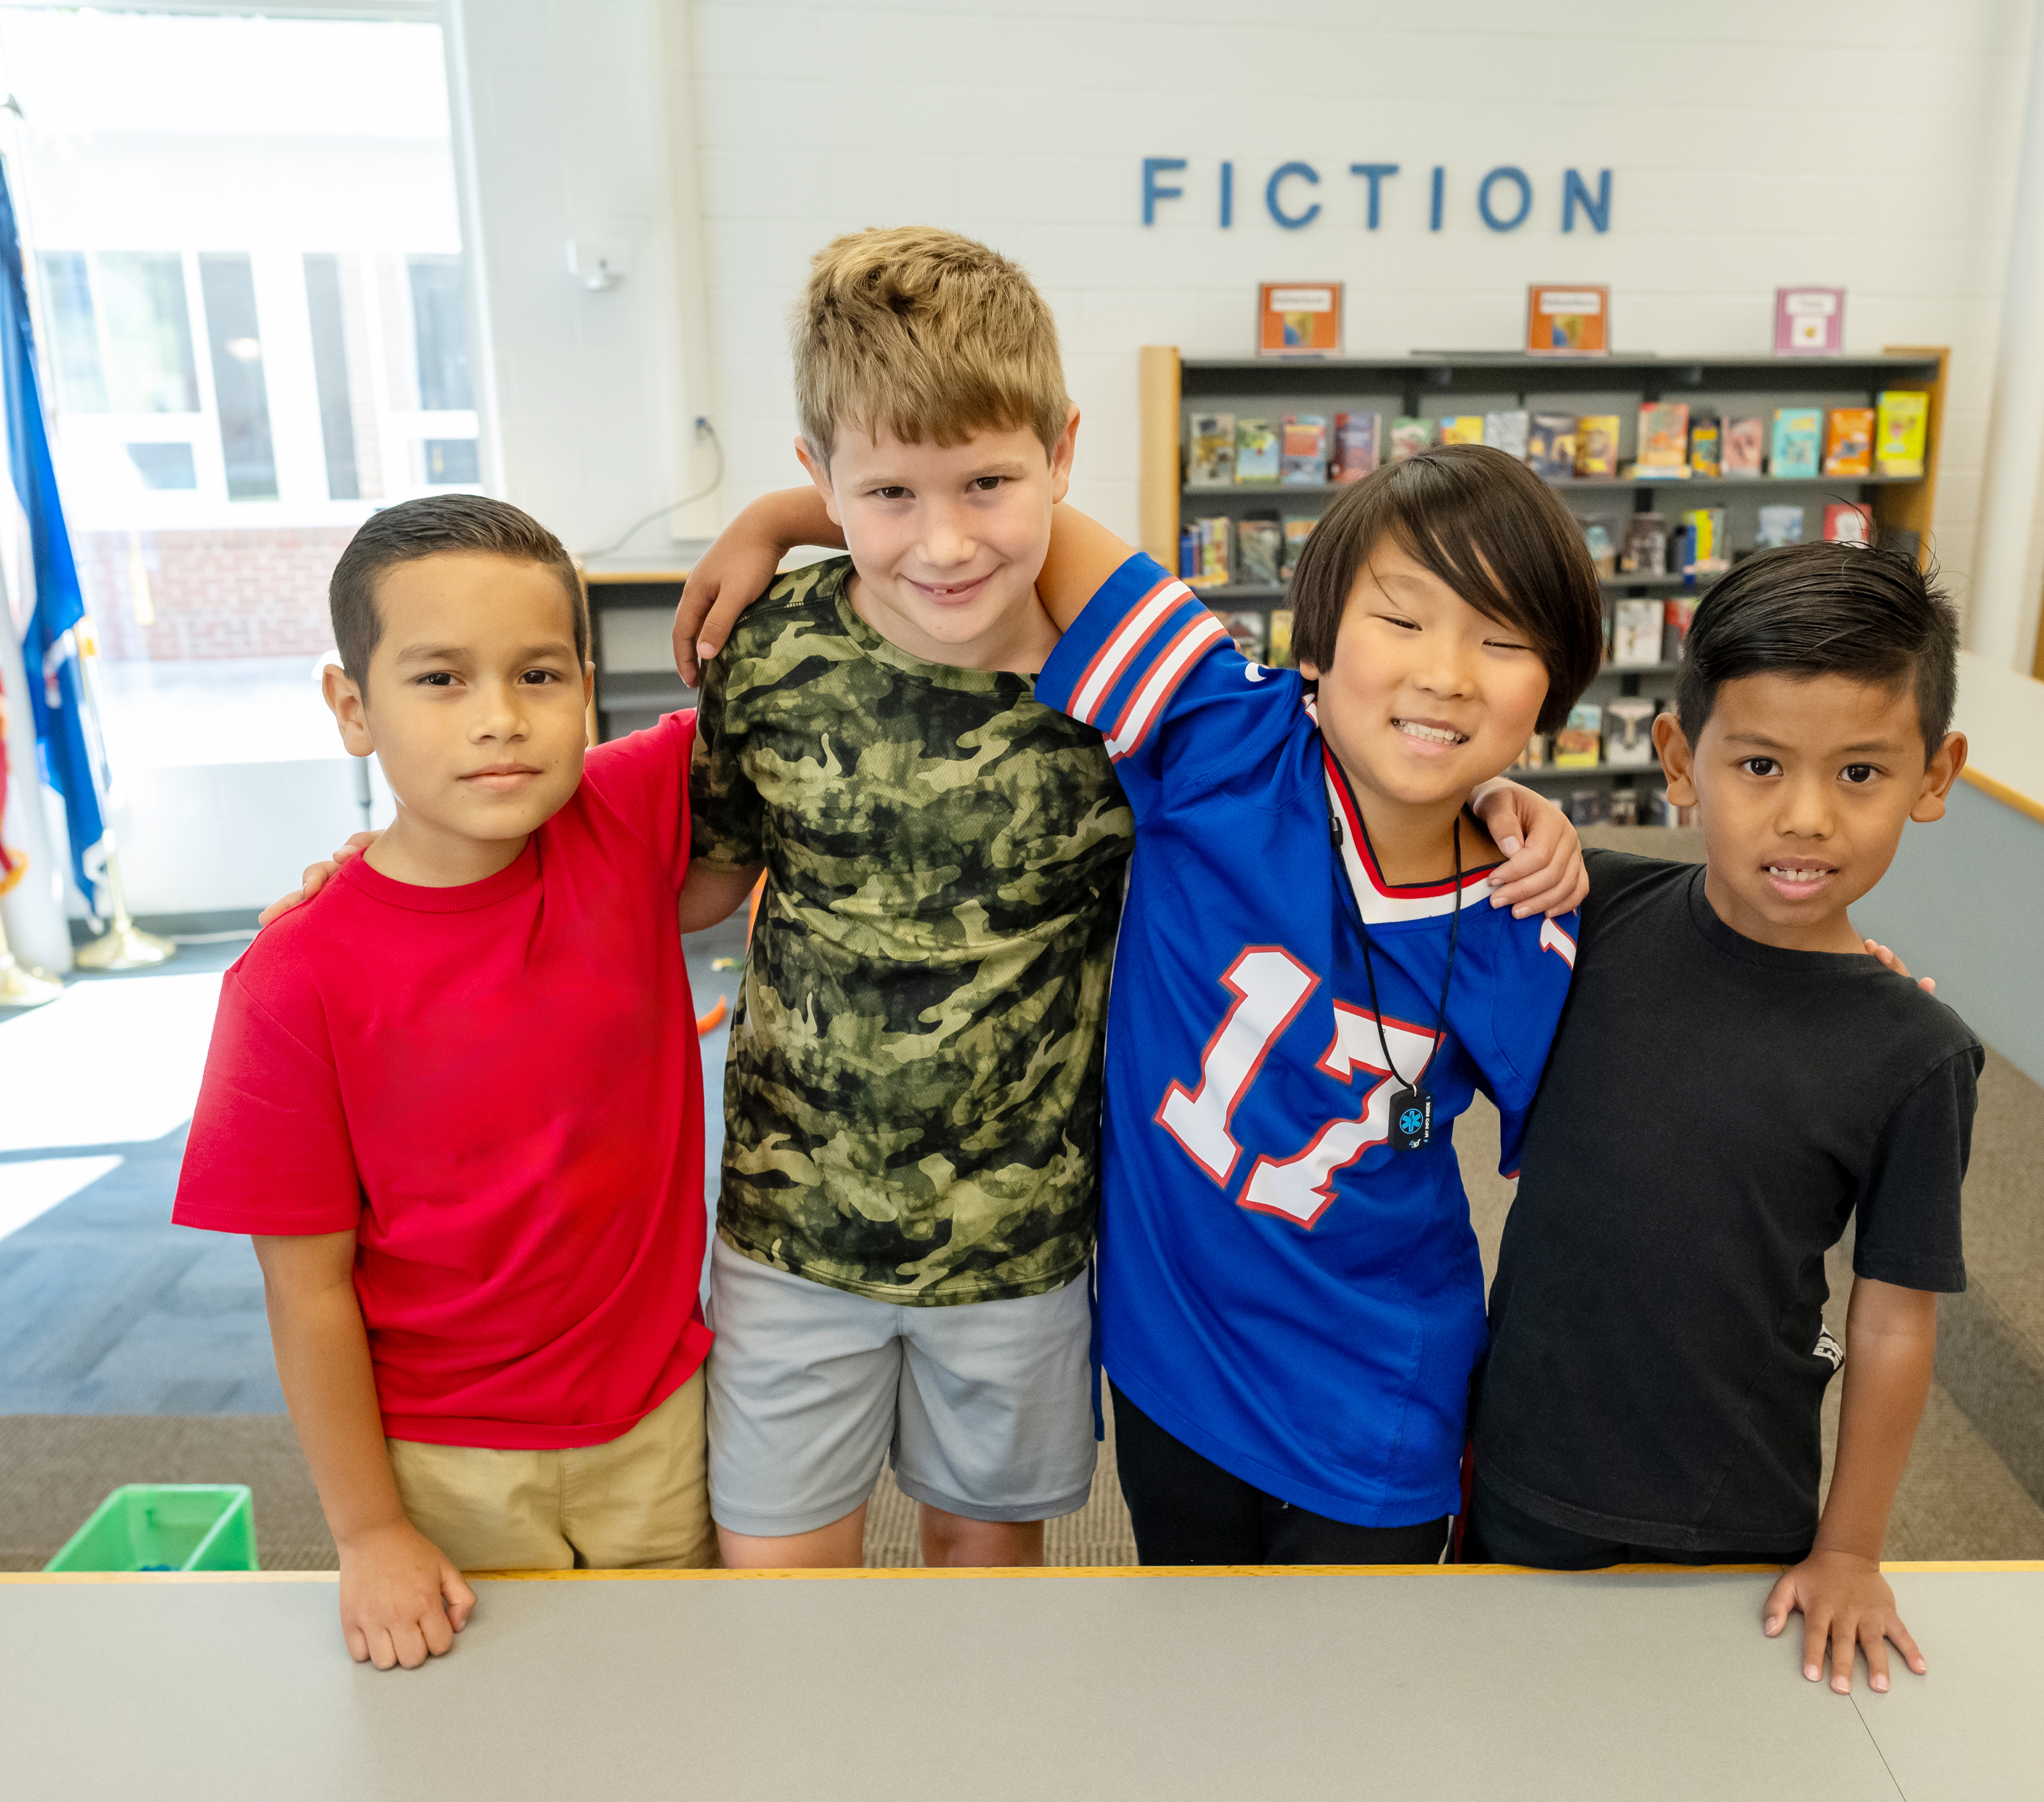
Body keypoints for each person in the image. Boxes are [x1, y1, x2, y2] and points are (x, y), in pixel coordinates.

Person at [662, 227, 1587, 1570]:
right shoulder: (1208, 745)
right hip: (965, 1296)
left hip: (1159, 1315)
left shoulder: (1186, 735)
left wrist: (1815, 967)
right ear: (1313, 647)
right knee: (827, 1622)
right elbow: (691, 866)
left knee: (1240, 1695)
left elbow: (1614, 1168)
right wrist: (774, 517)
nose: (1445, 675)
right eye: (1402, 625)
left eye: (1501, 647)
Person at [174, 496, 733, 1669]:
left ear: (587, 683)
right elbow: (305, 1293)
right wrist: (368, 1529)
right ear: (352, 708)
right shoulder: (292, 981)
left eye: (539, 675)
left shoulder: (625, 816)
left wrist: (778, 519)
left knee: (676, 1718)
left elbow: (864, 628)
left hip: (661, 1420)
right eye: (440, 680)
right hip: (443, 1461)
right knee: (479, 1763)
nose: (499, 720)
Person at [1467, 539, 1983, 1696]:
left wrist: (1850, 1548)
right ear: (1679, 760)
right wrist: (1500, 798)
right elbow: (1419, 838)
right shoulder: (1588, 908)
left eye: (1861, 775)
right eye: (1758, 765)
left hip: (1732, 1504)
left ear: (1935, 776)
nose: (1806, 819)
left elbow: (1896, 1321)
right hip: (1516, 1463)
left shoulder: (1917, 1054)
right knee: (1496, 1760)